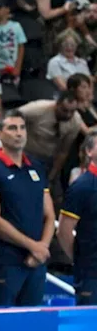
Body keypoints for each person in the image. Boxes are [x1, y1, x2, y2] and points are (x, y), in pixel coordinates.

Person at [0, 110, 54, 307]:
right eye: (12, 128)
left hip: (36, 262)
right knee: (2, 325)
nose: (19, 133)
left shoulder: (36, 167)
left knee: (33, 323)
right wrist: (33, 246)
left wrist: (42, 247)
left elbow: (50, 214)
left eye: (22, 128)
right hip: (5, 262)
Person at [59, 131, 97, 305]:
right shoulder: (81, 187)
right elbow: (64, 232)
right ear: (89, 151)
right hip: (91, 273)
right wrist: (80, 258)